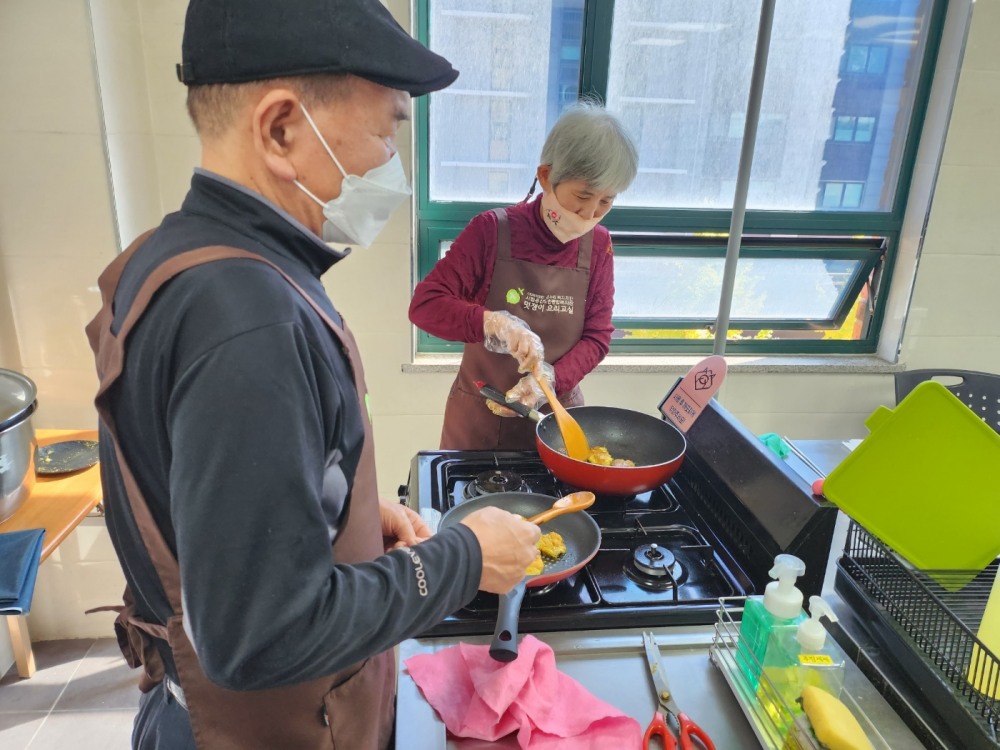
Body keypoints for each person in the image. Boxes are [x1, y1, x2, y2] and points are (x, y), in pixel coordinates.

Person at [84, 1, 541, 748]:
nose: (393, 166)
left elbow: (198, 491)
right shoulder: (246, 318)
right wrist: (463, 560)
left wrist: (340, 517)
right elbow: (258, 634)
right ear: (280, 129)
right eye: (387, 131)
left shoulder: (175, 255)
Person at [408, 101, 639, 450]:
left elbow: (597, 337)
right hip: (478, 422)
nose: (590, 214)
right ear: (546, 176)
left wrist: (551, 378)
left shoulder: (599, 246)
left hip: (556, 423)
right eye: (583, 196)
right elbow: (425, 306)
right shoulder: (491, 231)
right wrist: (494, 324)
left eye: (606, 201)